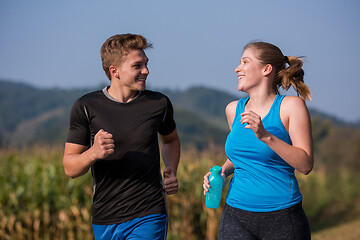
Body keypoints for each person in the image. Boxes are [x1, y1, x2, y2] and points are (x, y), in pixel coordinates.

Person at [63, 33, 180, 240]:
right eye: (137, 66)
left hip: (149, 212)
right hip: (105, 217)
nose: (146, 71)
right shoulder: (86, 107)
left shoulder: (159, 104)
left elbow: (170, 139)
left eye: (146, 64)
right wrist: (93, 153)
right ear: (114, 71)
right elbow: (70, 168)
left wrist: (171, 169)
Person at [203, 41, 313, 240]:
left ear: (266, 69)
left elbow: (305, 164)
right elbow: (242, 157)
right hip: (235, 215)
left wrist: (266, 136)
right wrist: (222, 171)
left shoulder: (290, 107)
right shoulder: (233, 109)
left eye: (245, 62)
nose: (238, 68)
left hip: (282, 216)